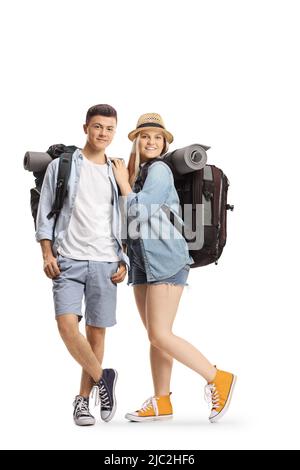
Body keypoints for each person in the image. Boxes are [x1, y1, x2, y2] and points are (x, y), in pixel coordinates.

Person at [112, 113, 236, 423]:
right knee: (156, 335)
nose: (151, 141)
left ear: (165, 142)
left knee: (160, 333)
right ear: (136, 142)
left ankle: (217, 377)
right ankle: (161, 401)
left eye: (158, 136)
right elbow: (124, 220)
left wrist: (124, 186)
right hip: (142, 262)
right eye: (145, 136)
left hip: (166, 258)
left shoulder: (159, 171)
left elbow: (142, 209)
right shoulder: (137, 173)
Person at [36, 104, 129, 426]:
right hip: (68, 260)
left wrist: (125, 259)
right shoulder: (63, 166)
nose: (103, 133)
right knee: (66, 327)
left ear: (114, 132)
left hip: (106, 262)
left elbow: (127, 218)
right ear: (86, 128)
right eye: (98, 127)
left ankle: (83, 401)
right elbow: (45, 212)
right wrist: (47, 254)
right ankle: (104, 378)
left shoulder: (117, 169)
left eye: (109, 129)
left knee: (96, 335)